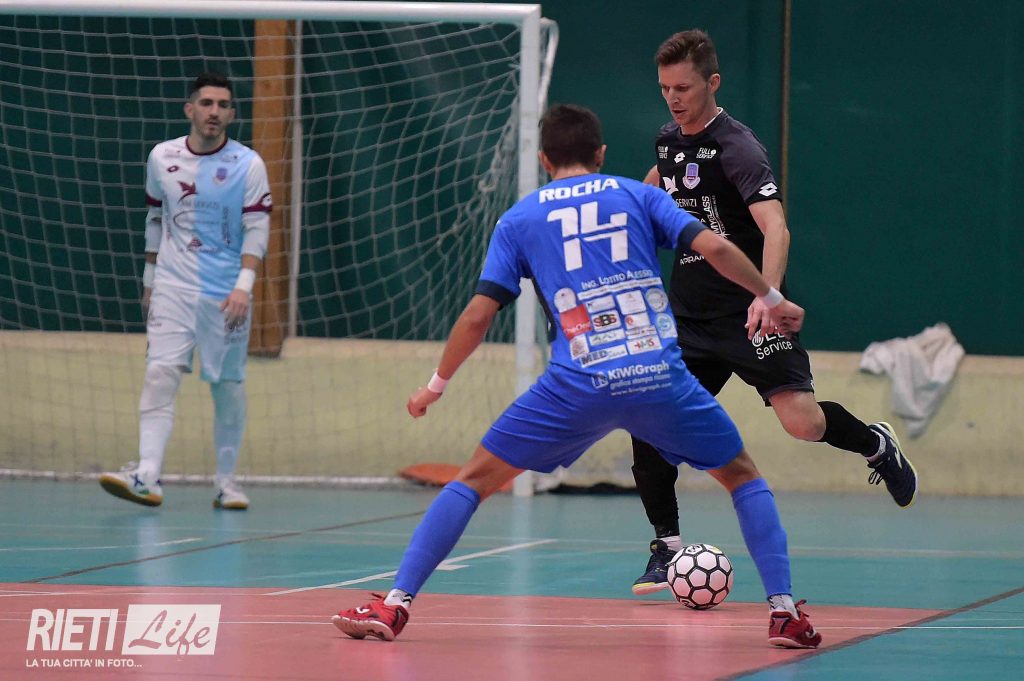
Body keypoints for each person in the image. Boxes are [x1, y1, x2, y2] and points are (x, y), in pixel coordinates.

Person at [333, 104, 821, 648]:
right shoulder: (639, 196)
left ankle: (396, 604)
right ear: (601, 154)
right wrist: (769, 296)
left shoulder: (519, 220)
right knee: (743, 478)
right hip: (657, 376)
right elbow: (717, 248)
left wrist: (435, 386)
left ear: (544, 159)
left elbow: (477, 315)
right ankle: (783, 613)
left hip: (576, 384)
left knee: (471, 482)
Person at [629, 29, 918, 596]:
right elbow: (654, 189)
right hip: (689, 317)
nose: (673, 98)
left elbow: (776, 226)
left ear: (712, 82)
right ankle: (666, 546)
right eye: (664, 88)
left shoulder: (738, 148)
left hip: (748, 313)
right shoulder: (668, 140)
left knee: (802, 424)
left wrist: (769, 296)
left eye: (683, 87)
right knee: (651, 417)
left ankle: (876, 444)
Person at [99, 71, 271, 511]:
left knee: (227, 387)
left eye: (223, 105)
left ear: (232, 114)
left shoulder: (248, 164)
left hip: (225, 295)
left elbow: (257, 228)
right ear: (189, 109)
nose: (215, 112)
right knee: (160, 374)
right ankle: (146, 476)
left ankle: (227, 483)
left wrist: (243, 287)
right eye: (207, 103)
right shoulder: (162, 157)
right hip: (172, 287)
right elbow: (155, 218)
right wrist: (150, 281)